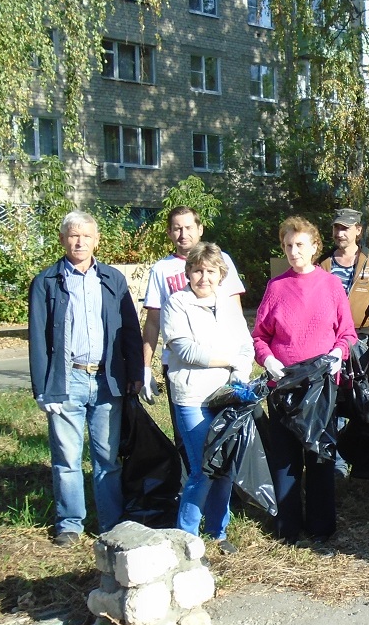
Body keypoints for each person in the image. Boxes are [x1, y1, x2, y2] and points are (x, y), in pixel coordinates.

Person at [28, 211, 143, 546]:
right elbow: (38, 340)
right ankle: (70, 524)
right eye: (73, 235)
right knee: (66, 459)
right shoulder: (46, 282)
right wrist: (42, 389)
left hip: (108, 381)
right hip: (67, 381)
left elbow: (130, 332)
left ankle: (112, 524)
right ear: (63, 239)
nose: (79, 241)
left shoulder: (112, 279)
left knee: (107, 459)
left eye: (86, 236)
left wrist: (135, 372)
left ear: (96, 240)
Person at [252, 217, 357, 543]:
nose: (293, 251)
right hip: (283, 386)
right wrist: (268, 360)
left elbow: (348, 333)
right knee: (286, 460)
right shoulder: (276, 287)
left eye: (300, 245)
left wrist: (337, 355)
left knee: (320, 458)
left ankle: (321, 528)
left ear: (314, 247)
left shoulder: (330, 286)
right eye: (288, 246)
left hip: (321, 386)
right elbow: (259, 337)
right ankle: (289, 528)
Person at [162, 242, 255, 552]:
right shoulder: (177, 303)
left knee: (225, 467)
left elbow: (246, 346)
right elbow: (186, 350)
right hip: (192, 397)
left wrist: (240, 372)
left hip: (225, 396)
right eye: (198, 270)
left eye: (211, 271)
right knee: (202, 470)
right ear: (188, 272)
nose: (204, 277)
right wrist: (229, 360)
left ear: (221, 274)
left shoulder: (228, 305)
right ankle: (185, 538)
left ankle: (218, 531)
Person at [141, 206, 246, 458]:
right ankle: (190, 486)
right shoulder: (161, 269)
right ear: (169, 232)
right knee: (188, 440)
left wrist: (239, 360)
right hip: (182, 367)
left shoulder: (221, 260)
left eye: (188, 227)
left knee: (225, 437)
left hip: (222, 365)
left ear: (200, 229)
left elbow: (235, 312)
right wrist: (145, 367)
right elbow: (153, 321)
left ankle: (225, 492)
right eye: (177, 228)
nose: (183, 233)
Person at [320, 207, 369, 344]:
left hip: (366, 337)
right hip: (332, 337)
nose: (339, 233)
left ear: (358, 230)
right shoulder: (323, 262)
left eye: (345, 228)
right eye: (336, 228)